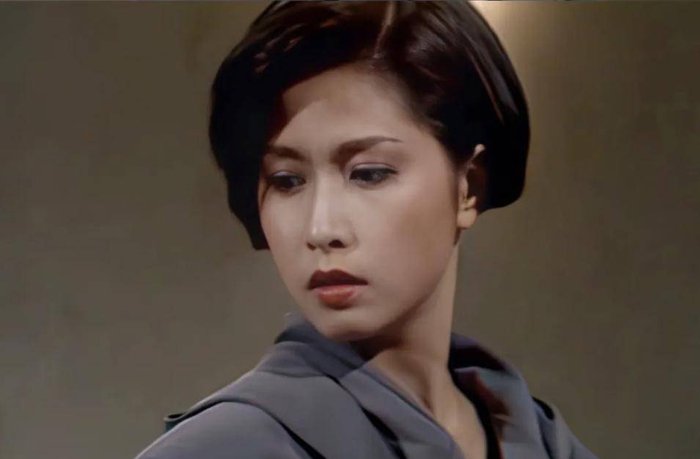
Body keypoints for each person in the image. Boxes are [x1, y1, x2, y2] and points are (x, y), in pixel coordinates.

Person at [135, 2, 599, 458]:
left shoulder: (540, 442)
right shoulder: (230, 447)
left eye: (369, 173)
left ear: (470, 187)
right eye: (286, 181)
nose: (321, 229)